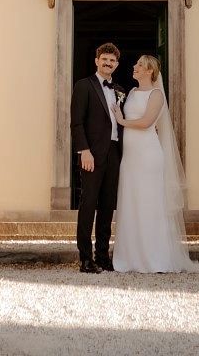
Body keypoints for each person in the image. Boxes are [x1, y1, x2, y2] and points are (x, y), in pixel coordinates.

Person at [110, 54, 199, 273]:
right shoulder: (133, 93)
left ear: (149, 71)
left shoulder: (157, 95)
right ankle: (130, 258)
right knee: (131, 202)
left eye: (139, 65)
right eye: (136, 64)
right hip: (130, 157)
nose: (134, 67)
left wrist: (122, 121)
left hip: (148, 156)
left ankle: (156, 258)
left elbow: (146, 122)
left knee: (149, 204)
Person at [69, 41, 123, 273]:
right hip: (91, 154)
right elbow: (77, 122)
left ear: (117, 64)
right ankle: (85, 258)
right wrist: (84, 151)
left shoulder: (120, 89)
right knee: (88, 205)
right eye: (104, 59)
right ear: (96, 61)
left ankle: (102, 256)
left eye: (112, 60)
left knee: (108, 207)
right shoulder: (84, 85)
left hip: (114, 153)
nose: (108, 63)